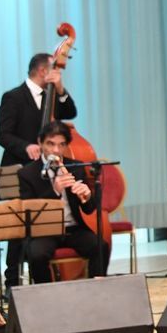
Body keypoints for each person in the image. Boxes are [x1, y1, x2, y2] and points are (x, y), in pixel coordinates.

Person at [0, 53, 77, 287]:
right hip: (20, 168)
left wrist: (60, 88)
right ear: (43, 71)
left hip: (49, 169)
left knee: (48, 217)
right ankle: (12, 281)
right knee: (18, 226)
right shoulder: (13, 97)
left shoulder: (53, 95)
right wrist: (26, 146)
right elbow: (2, 134)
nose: (57, 73)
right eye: (54, 70)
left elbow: (70, 112)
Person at [18, 121, 110, 283]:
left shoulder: (76, 167)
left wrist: (87, 197)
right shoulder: (27, 173)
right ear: (40, 143)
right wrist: (55, 191)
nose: (56, 150)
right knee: (37, 254)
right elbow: (29, 211)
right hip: (45, 231)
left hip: (73, 229)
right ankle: (46, 294)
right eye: (50, 144)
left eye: (61, 145)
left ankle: (95, 290)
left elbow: (89, 209)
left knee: (100, 246)